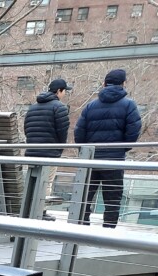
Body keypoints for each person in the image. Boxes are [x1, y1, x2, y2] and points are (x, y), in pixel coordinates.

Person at [74, 69, 141, 227]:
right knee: (113, 196)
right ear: (123, 84)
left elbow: (79, 131)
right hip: (114, 159)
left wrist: (85, 152)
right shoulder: (129, 105)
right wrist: (121, 149)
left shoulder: (91, 105)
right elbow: (133, 131)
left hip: (91, 158)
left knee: (85, 194)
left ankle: (81, 227)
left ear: (104, 84)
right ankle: (108, 230)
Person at [23, 78, 70, 216]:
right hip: (50, 153)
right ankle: (41, 213)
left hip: (32, 152)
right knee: (46, 184)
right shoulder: (59, 107)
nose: (65, 94)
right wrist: (59, 149)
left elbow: (27, 128)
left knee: (31, 183)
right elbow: (63, 131)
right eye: (64, 91)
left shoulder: (32, 107)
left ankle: (27, 211)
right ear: (59, 91)